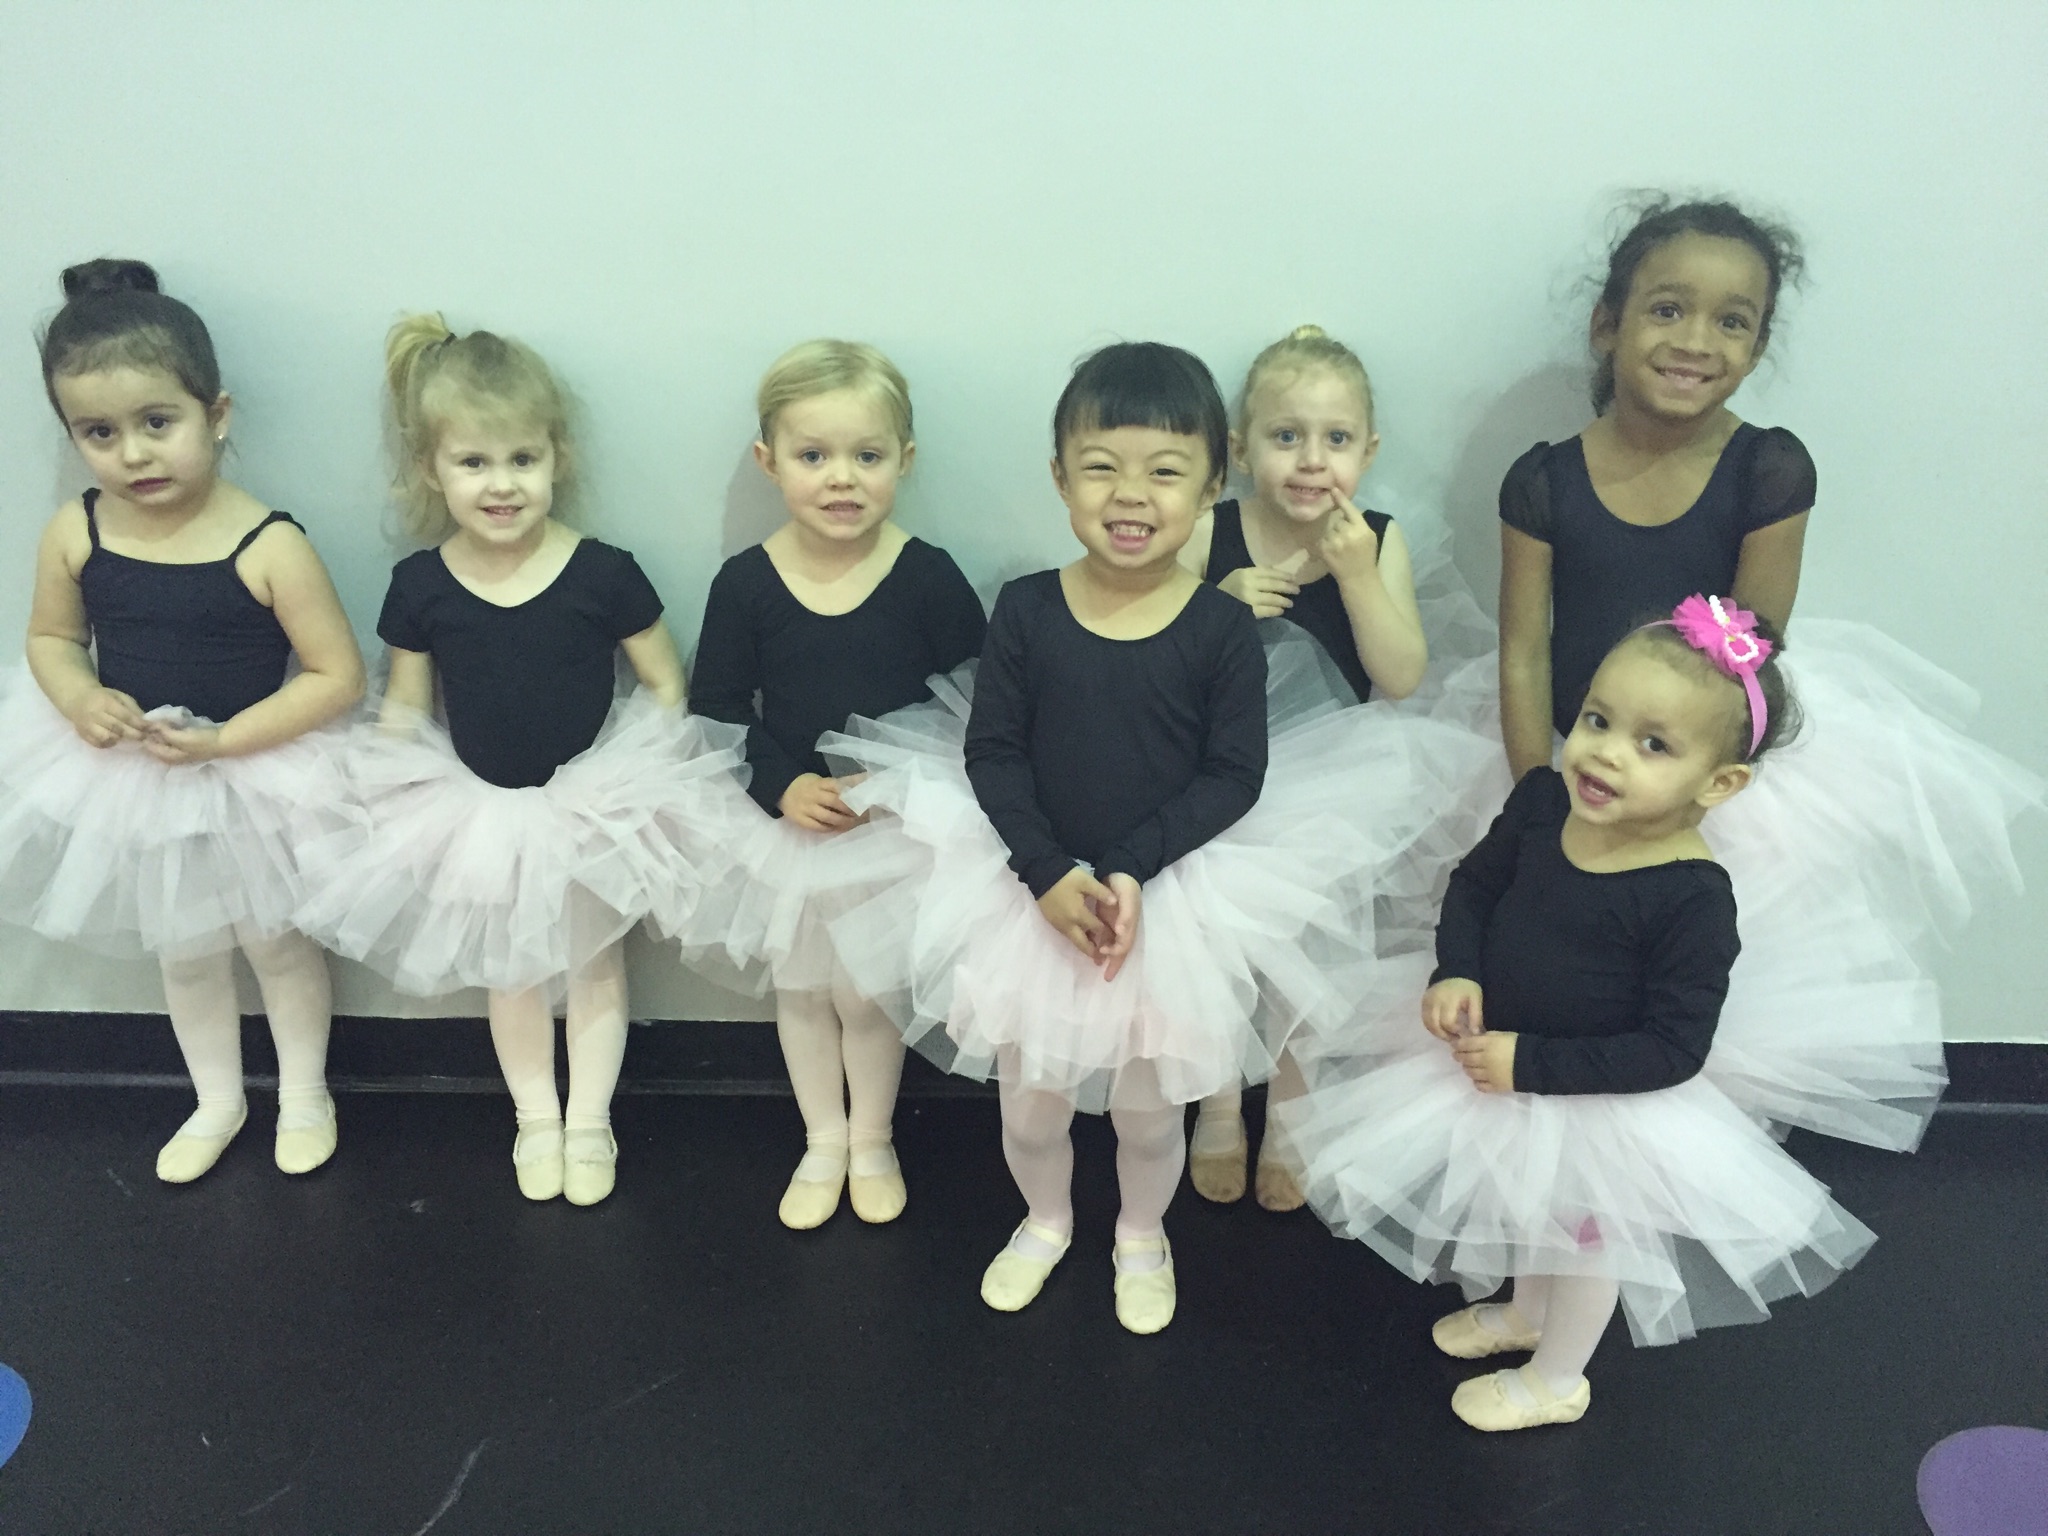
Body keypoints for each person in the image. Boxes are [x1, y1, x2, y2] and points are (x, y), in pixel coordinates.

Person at [826, 342, 1403, 1333]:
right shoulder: (1027, 609)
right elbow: (994, 755)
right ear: (1058, 477)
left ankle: (1142, 1231)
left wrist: (1130, 867)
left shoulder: (1218, 629)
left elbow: (1234, 775)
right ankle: (1046, 1220)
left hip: (1164, 900)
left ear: (1210, 486)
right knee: (1029, 1105)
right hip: (1028, 894)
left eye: (1165, 471)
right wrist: (1048, 874)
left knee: (1147, 1109)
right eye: (1100, 467)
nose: (1129, 495)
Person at [1484, 196, 2040, 1150]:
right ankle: (1537, 1177)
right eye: (1667, 309)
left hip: (1699, 762)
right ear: (1607, 322)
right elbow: (1525, 648)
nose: (1696, 339)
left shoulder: (1769, 470)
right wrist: (1538, 782)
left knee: (1682, 974)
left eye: (1731, 320)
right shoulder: (1542, 479)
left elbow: (1753, 652)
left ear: (1757, 342)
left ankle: (1670, 1156)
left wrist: (1687, 795)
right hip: (1577, 752)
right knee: (1549, 962)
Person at [1284, 599, 1875, 1430]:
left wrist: (1530, 1066)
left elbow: (1673, 1047)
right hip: (1499, 1067)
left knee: (1589, 1243)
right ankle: (1528, 1312)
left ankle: (1557, 1378)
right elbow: (1477, 887)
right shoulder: (1540, 802)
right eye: (1599, 718)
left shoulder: (1691, 899)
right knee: (1530, 1211)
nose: (1605, 753)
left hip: (1598, 1108)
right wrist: (1457, 969)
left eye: (1654, 744)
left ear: (1721, 782)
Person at [297, 315, 741, 1206]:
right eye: (474, 463)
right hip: (478, 811)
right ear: (432, 469)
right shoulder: (420, 585)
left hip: (592, 806)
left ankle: (591, 1122)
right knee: (512, 969)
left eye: (521, 460)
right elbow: (408, 706)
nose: (501, 485)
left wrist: (632, 779)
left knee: (595, 965)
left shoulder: (605, 572)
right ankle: (536, 1118)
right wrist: (386, 799)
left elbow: (663, 684)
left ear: (555, 457)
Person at [0, 259, 365, 1183]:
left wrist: (227, 741)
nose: (133, 454)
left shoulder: (269, 541)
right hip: (136, 780)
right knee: (187, 950)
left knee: (278, 945)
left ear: (217, 414)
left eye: (157, 423)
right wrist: (80, 697)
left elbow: (336, 676)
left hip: (255, 774)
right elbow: (49, 637)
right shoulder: (75, 530)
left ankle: (306, 1093)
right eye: (99, 432)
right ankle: (215, 1098)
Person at [680, 340, 985, 1230]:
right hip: (790, 829)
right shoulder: (746, 584)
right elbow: (719, 708)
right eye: (814, 457)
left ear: (904, 460)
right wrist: (780, 785)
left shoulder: (927, 576)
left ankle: (874, 1137)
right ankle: (821, 1137)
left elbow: (976, 702)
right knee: (805, 991)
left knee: (869, 991)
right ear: (769, 462)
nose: (841, 479)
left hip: (899, 824)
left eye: (867, 456)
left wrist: (897, 782)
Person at [1178, 323, 1436, 1211]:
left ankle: (1290, 1111)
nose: (1310, 461)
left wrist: (1358, 576)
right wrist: (1214, 606)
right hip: (1214, 779)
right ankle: (1217, 1109)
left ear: (1368, 450)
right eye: (1286, 437)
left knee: (1311, 958)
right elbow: (1150, 662)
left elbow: (1401, 675)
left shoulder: (1380, 537)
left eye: (1335, 440)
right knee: (1217, 956)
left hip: (1341, 789)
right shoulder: (1208, 533)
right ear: (1243, 450)